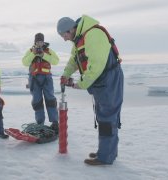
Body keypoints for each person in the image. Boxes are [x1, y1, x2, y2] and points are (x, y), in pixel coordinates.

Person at [57, 15, 124, 165]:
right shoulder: (79, 39)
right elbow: (74, 60)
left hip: (108, 80)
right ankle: (106, 151)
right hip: (100, 82)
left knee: (107, 118)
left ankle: (106, 157)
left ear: (71, 29)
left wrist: (80, 84)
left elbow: (96, 67)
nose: (64, 39)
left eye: (64, 35)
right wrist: (65, 74)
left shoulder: (93, 34)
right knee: (103, 116)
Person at [22, 33, 59, 133]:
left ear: (43, 41)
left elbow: (56, 61)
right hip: (34, 79)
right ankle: (40, 123)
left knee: (50, 99)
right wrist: (33, 54)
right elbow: (24, 62)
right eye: (37, 42)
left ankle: (55, 122)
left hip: (47, 79)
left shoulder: (48, 51)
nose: (39, 44)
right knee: (37, 101)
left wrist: (44, 55)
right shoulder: (30, 51)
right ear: (35, 42)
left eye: (41, 41)